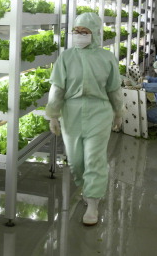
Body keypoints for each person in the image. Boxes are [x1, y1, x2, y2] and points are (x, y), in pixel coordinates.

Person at [45, 12, 123, 226]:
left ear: (95, 34)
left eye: (84, 32)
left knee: (93, 158)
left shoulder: (107, 58)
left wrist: (119, 112)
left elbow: (114, 89)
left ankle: (92, 202)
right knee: (76, 159)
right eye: (76, 31)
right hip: (72, 112)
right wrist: (52, 115)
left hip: (100, 111)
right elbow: (57, 87)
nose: (79, 35)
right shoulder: (66, 57)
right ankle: (87, 188)